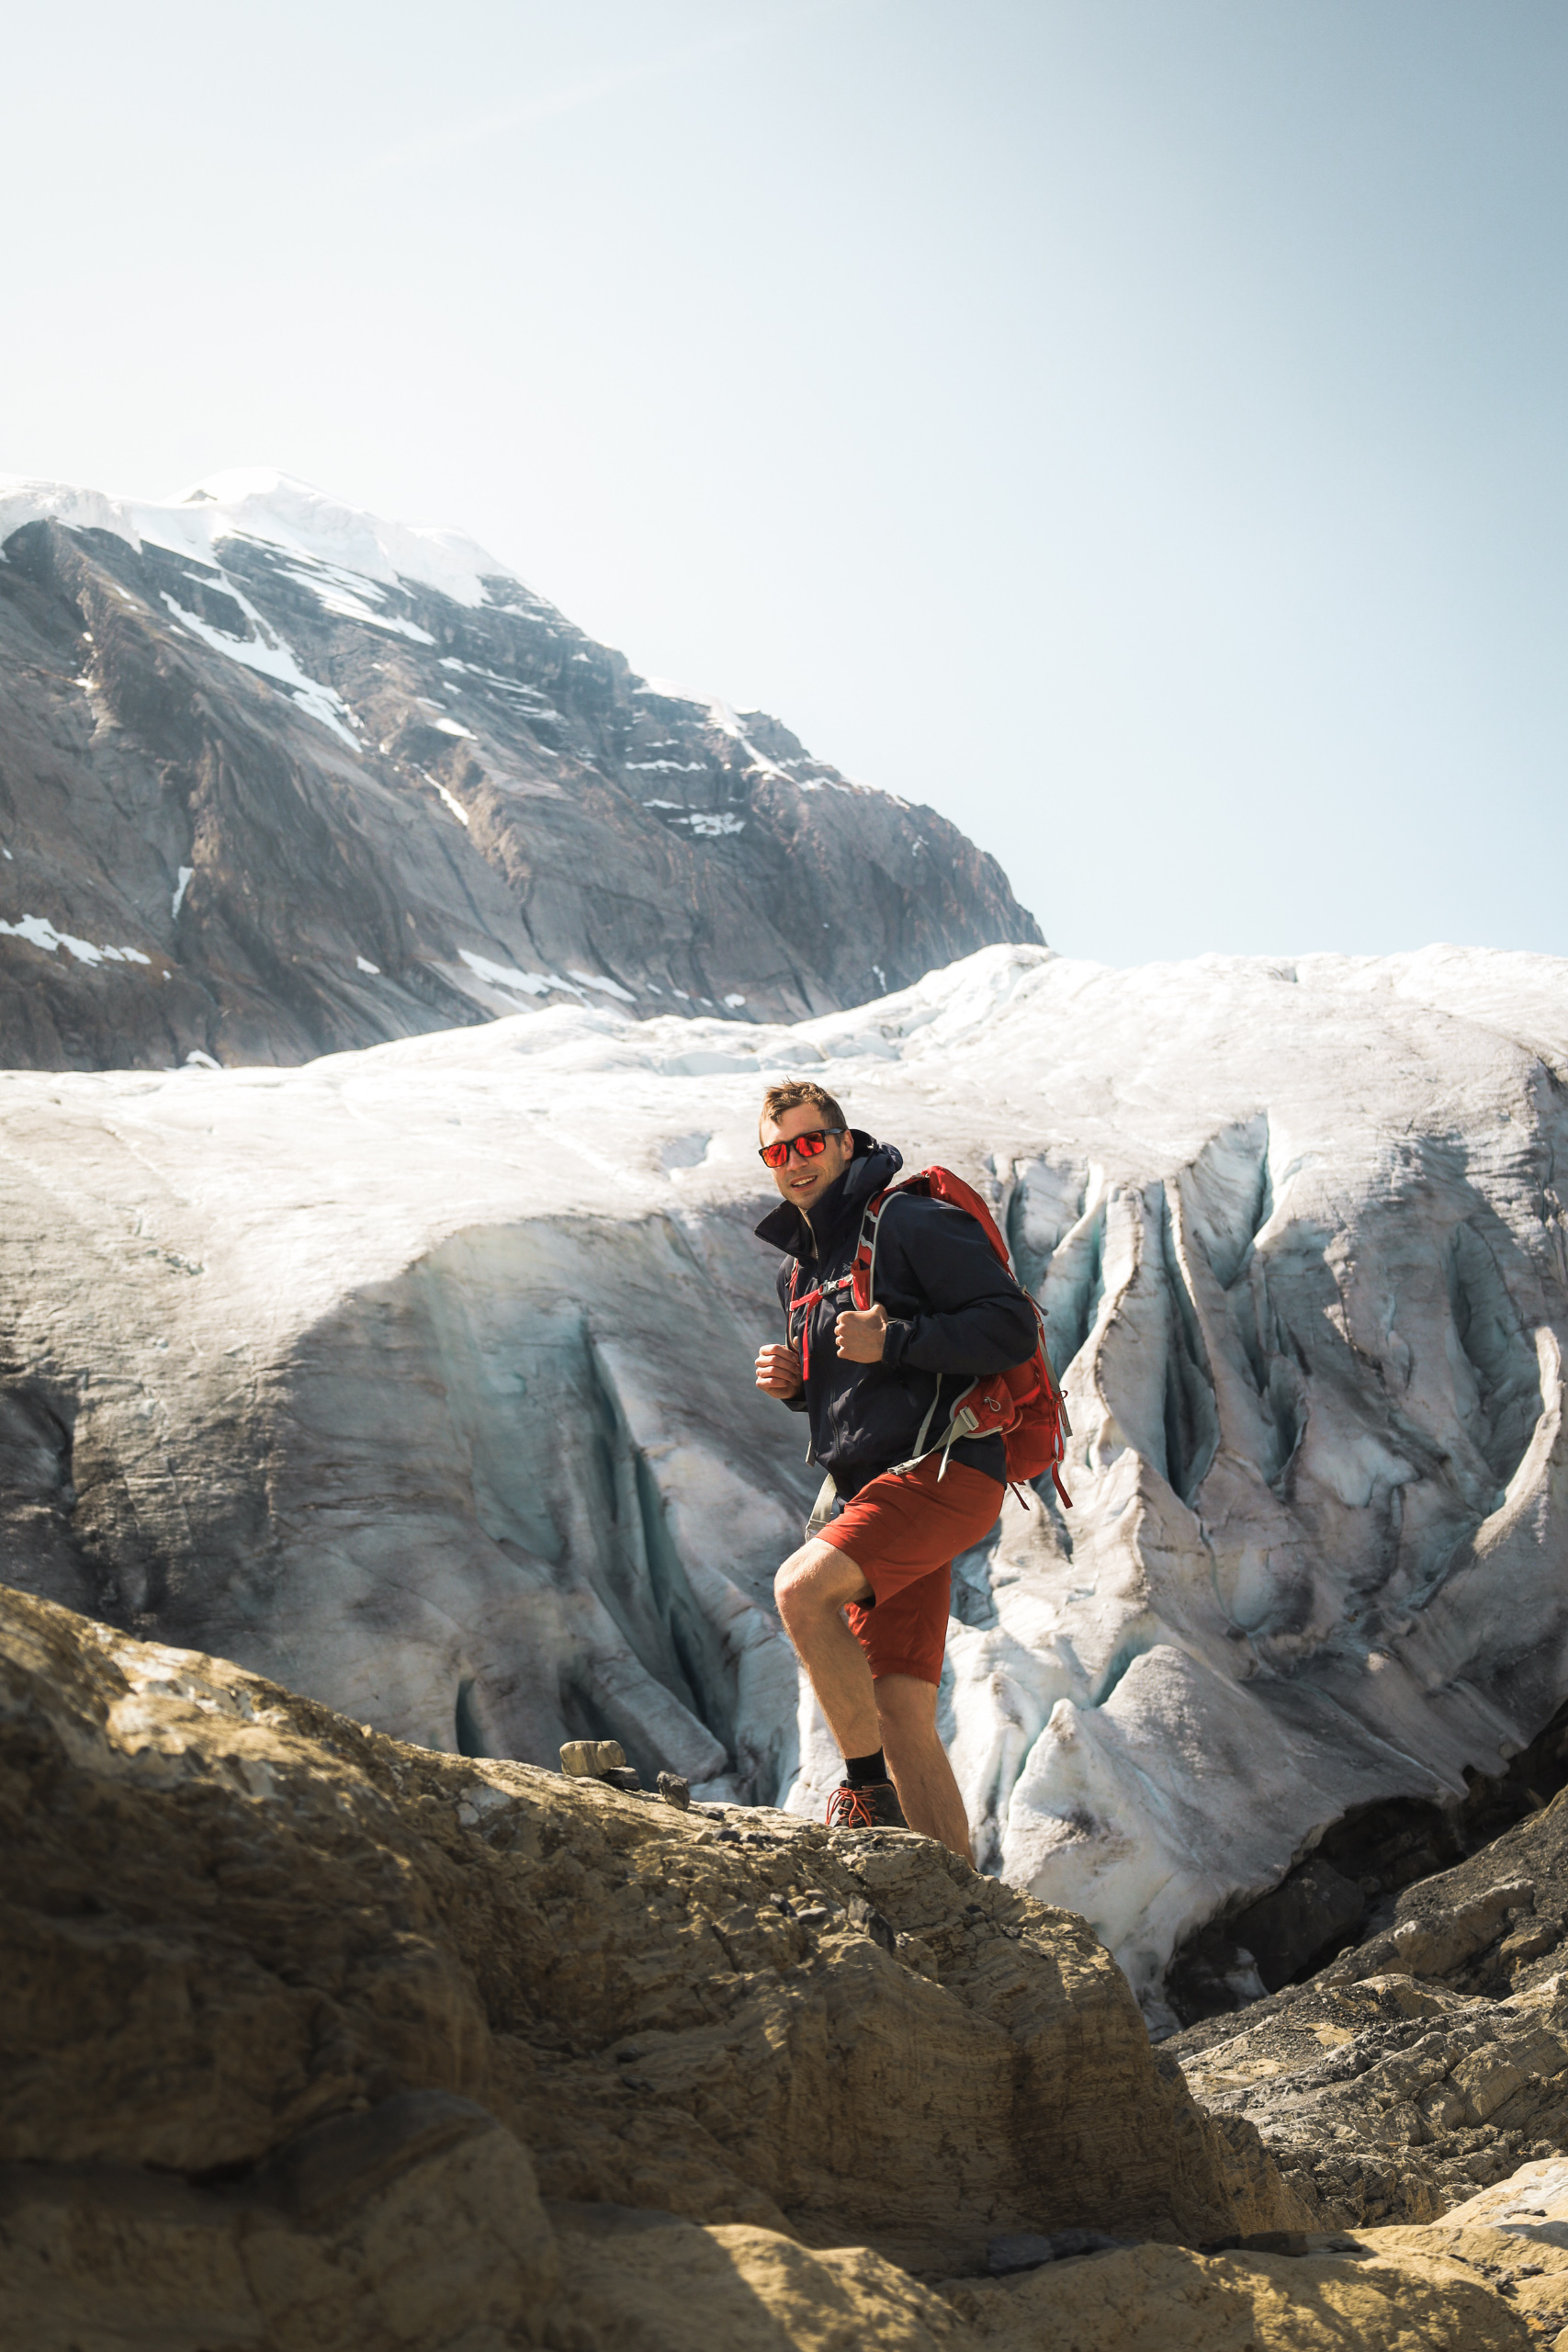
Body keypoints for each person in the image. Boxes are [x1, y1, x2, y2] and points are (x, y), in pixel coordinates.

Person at [753, 1079, 1038, 1857]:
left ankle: (864, 1793)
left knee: (800, 1592)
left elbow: (1007, 1324)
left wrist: (899, 1342)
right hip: (874, 1485)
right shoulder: (801, 1268)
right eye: (778, 1151)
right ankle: (963, 1900)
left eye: (809, 1143)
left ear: (844, 1143)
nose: (794, 1162)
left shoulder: (908, 1218)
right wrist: (795, 1387)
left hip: (943, 1471)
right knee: (898, 1708)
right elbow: (858, 1388)